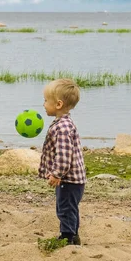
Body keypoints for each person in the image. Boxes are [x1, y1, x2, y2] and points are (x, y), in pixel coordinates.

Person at [38, 78, 86, 245]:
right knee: (69, 208)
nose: (43, 104)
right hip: (73, 179)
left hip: (69, 179)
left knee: (65, 208)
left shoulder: (63, 127)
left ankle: (67, 238)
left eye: (45, 101)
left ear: (58, 104)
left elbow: (64, 156)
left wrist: (57, 174)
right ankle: (74, 235)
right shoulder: (63, 123)